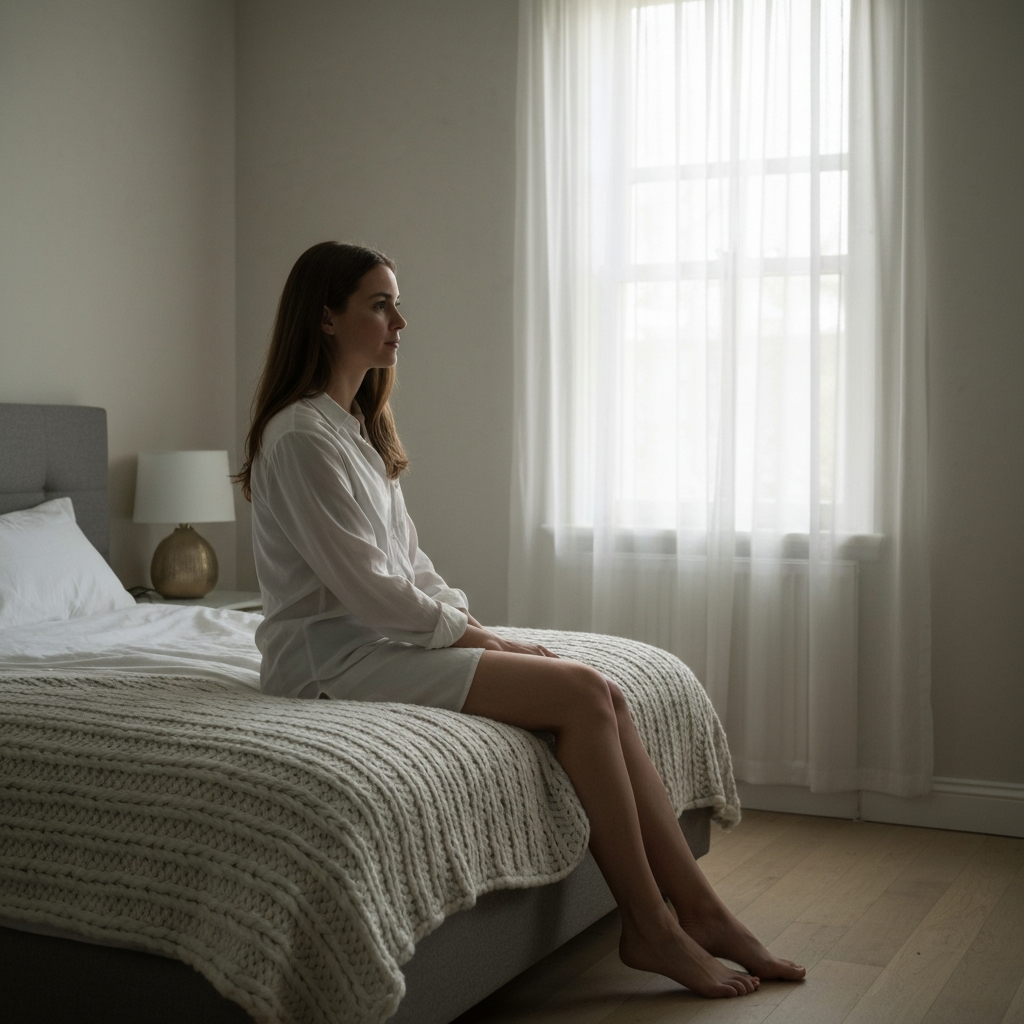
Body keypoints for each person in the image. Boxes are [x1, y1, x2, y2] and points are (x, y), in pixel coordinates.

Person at [237, 241, 805, 999]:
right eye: (380, 304)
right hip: (329, 663)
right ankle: (652, 925)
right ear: (328, 318)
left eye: (396, 303)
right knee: (576, 692)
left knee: (602, 690)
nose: (401, 321)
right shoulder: (300, 437)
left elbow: (412, 568)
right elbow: (374, 594)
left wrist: (474, 626)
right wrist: (483, 640)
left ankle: (702, 911)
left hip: (376, 645)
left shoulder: (352, 431)